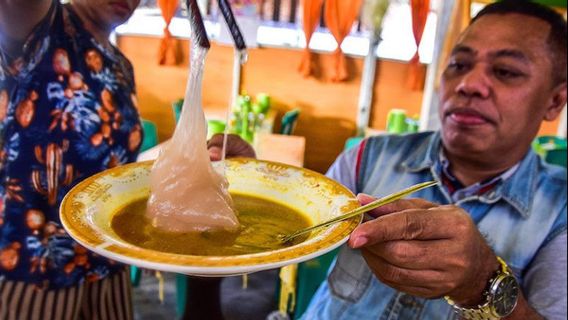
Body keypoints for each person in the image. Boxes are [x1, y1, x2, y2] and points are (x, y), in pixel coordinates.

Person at [302, 1, 567, 319]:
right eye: (458, 64)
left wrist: (483, 283)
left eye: (505, 71)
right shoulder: (366, 158)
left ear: (555, 101)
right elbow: (293, 235)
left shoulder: (559, 215)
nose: (468, 85)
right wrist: (233, 185)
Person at [0, 1, 254, 319]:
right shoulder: (39, 32)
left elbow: (117, 169)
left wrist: (202, 164)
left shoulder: (119, 65)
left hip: (109, 261)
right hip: (36, 269)